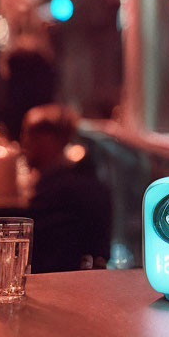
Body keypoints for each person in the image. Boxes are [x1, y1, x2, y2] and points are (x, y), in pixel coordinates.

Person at [21, 104, 112, 273]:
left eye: (32, 136)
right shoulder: (71, 179)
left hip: (56, 280)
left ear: (50, 139)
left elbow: (36, 243)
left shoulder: (63, 189)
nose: (25, 143)